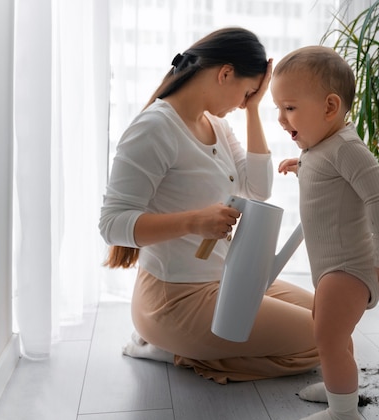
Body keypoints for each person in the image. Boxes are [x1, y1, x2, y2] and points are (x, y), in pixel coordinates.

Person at [99, 28, 320, 385]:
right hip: (176, 297)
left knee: (330, 320)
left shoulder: (217, 124)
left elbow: (259, 188)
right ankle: (177, 350)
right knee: (321, 342)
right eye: (246, 93)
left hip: (227, 280)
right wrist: (193, 222)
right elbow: (111, 224)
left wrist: (253, 110)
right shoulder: (154, 129)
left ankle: (196, 347)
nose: (242, 103)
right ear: (225, 74)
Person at [272, 46, 379, 420]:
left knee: (327, 336)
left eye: (290, 108)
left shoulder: (348, 148)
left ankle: (344, 416)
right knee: (332, 333)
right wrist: (302, 165)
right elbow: (329, 178)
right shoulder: (321, 148)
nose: (281, 119)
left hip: (351, 267)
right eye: (279, 109)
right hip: (334, 266)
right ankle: (340, 389)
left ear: (330, 106)